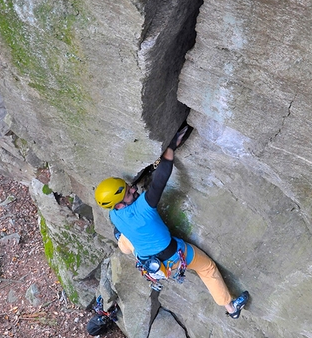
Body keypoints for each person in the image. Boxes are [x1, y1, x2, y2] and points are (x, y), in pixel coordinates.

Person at [94, 128, 249, 319]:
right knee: (207, 268)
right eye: (128, 192)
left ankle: (122, 241)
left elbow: (135, 192)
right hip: (175, 255)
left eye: (129, 188)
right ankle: (231, 308)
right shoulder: (144, 207)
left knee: (126, 240)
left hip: (148, 262)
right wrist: (171, 146)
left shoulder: (114, 215)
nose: (134, 190)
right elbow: (160, 179)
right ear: (119, 203)